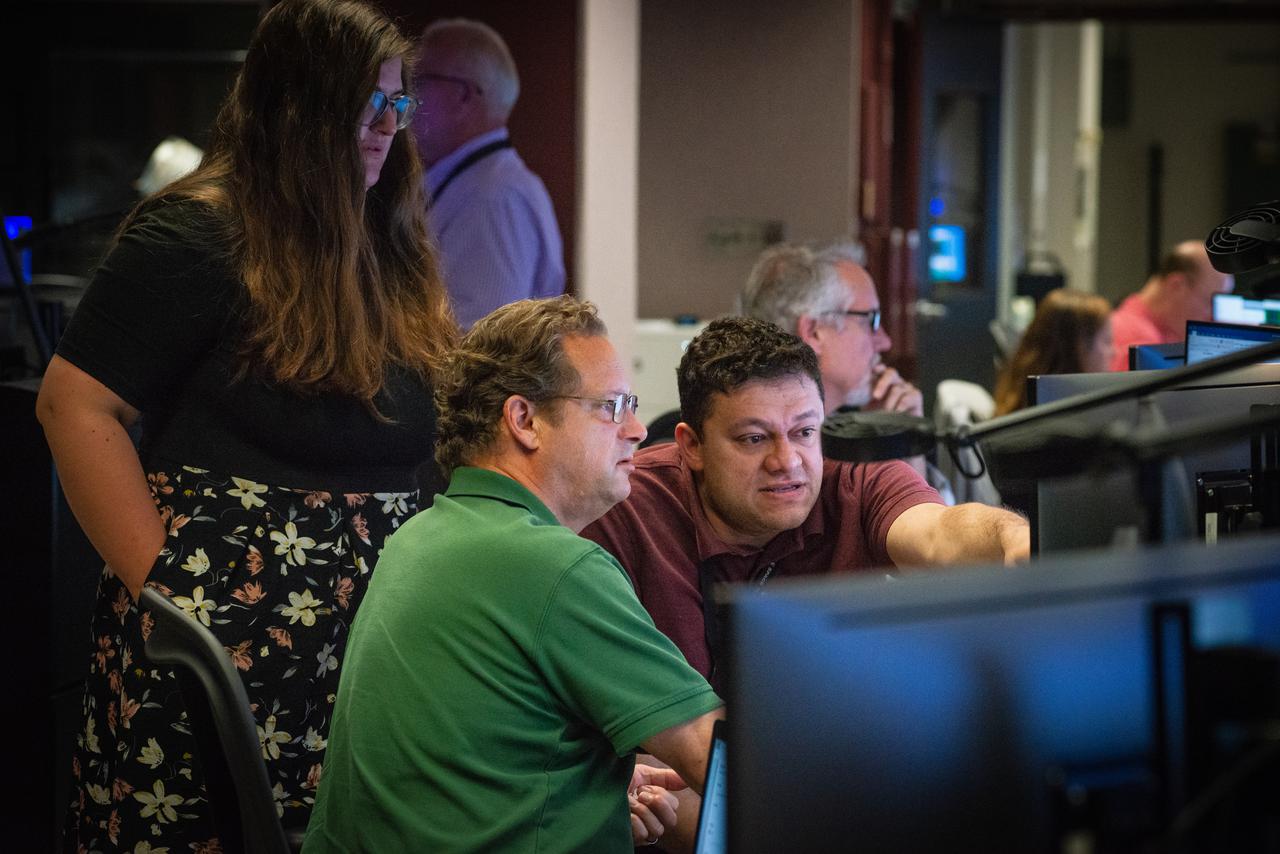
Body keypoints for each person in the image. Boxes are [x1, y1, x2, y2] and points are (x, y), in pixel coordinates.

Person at [36, 1, 456, 848]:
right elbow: (73, 406)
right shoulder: (198, 232)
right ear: (297, 108)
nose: (386, 127)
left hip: (365, 646)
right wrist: (169, 595)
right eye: (365, 105)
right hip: (218, 642)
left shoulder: (384, 240)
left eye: (396, 103)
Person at [305, 297, 723, 852]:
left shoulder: (419, 536)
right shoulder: (554, 566)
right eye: (612, 406)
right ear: (524, 420)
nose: (638, 430)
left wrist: (590, 789)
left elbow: (472, 762)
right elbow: (716, 757)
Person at [582, 316, 1030, 687]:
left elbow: (938, 533)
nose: (787, 461)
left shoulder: (855, 476)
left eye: (804, 432)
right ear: (692, 446)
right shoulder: (625, 504)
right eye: (754, 438)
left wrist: (1011, 536)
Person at [741, 242, 953, 498]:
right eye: (871, 319)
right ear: (814, 332)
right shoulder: (779, 466)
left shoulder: (849, 426)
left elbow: (924, 518)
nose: (885, 342)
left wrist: (898, 443)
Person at [411, 18, 565, 329]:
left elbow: (479, 341)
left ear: (463, 95)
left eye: (418, 81)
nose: (407, 98)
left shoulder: (492, 199)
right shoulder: (483, 184)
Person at [1108, 240, 1234, 371]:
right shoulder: (1136, 345)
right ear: (1176, 286)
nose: (1214, 317)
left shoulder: (1165, 328)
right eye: (1210, 302)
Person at [993, 287, 1114, 416]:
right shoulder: (1072, 419)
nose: (1112, 352)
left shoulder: (1018, 405)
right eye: (1107, 341)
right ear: (1077, 347)